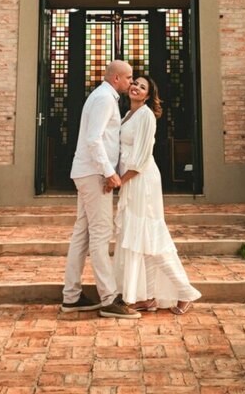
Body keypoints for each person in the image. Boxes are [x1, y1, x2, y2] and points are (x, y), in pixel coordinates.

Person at [114, 74, 200, 314]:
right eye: (135, 84)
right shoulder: (128, 115)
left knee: (151, 237)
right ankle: (149, 296)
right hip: (131, 180)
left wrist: (120, 181)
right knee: (140, 239)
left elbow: (141, 157)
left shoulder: (146, 116)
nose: (136, 88)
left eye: (142, 87)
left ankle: (185, 292)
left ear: (148, 96)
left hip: (142, 180)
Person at [60, 59, 140, 318]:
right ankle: (109, 298)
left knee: (82, 234)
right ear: (116, 78)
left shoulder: (102, 96)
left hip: (87, 171)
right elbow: (93, 139)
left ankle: (71, 297)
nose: (130, 82)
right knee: (101, 234)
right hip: (94, 174)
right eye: (128, 78)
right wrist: (109, 172)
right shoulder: (105, 99)